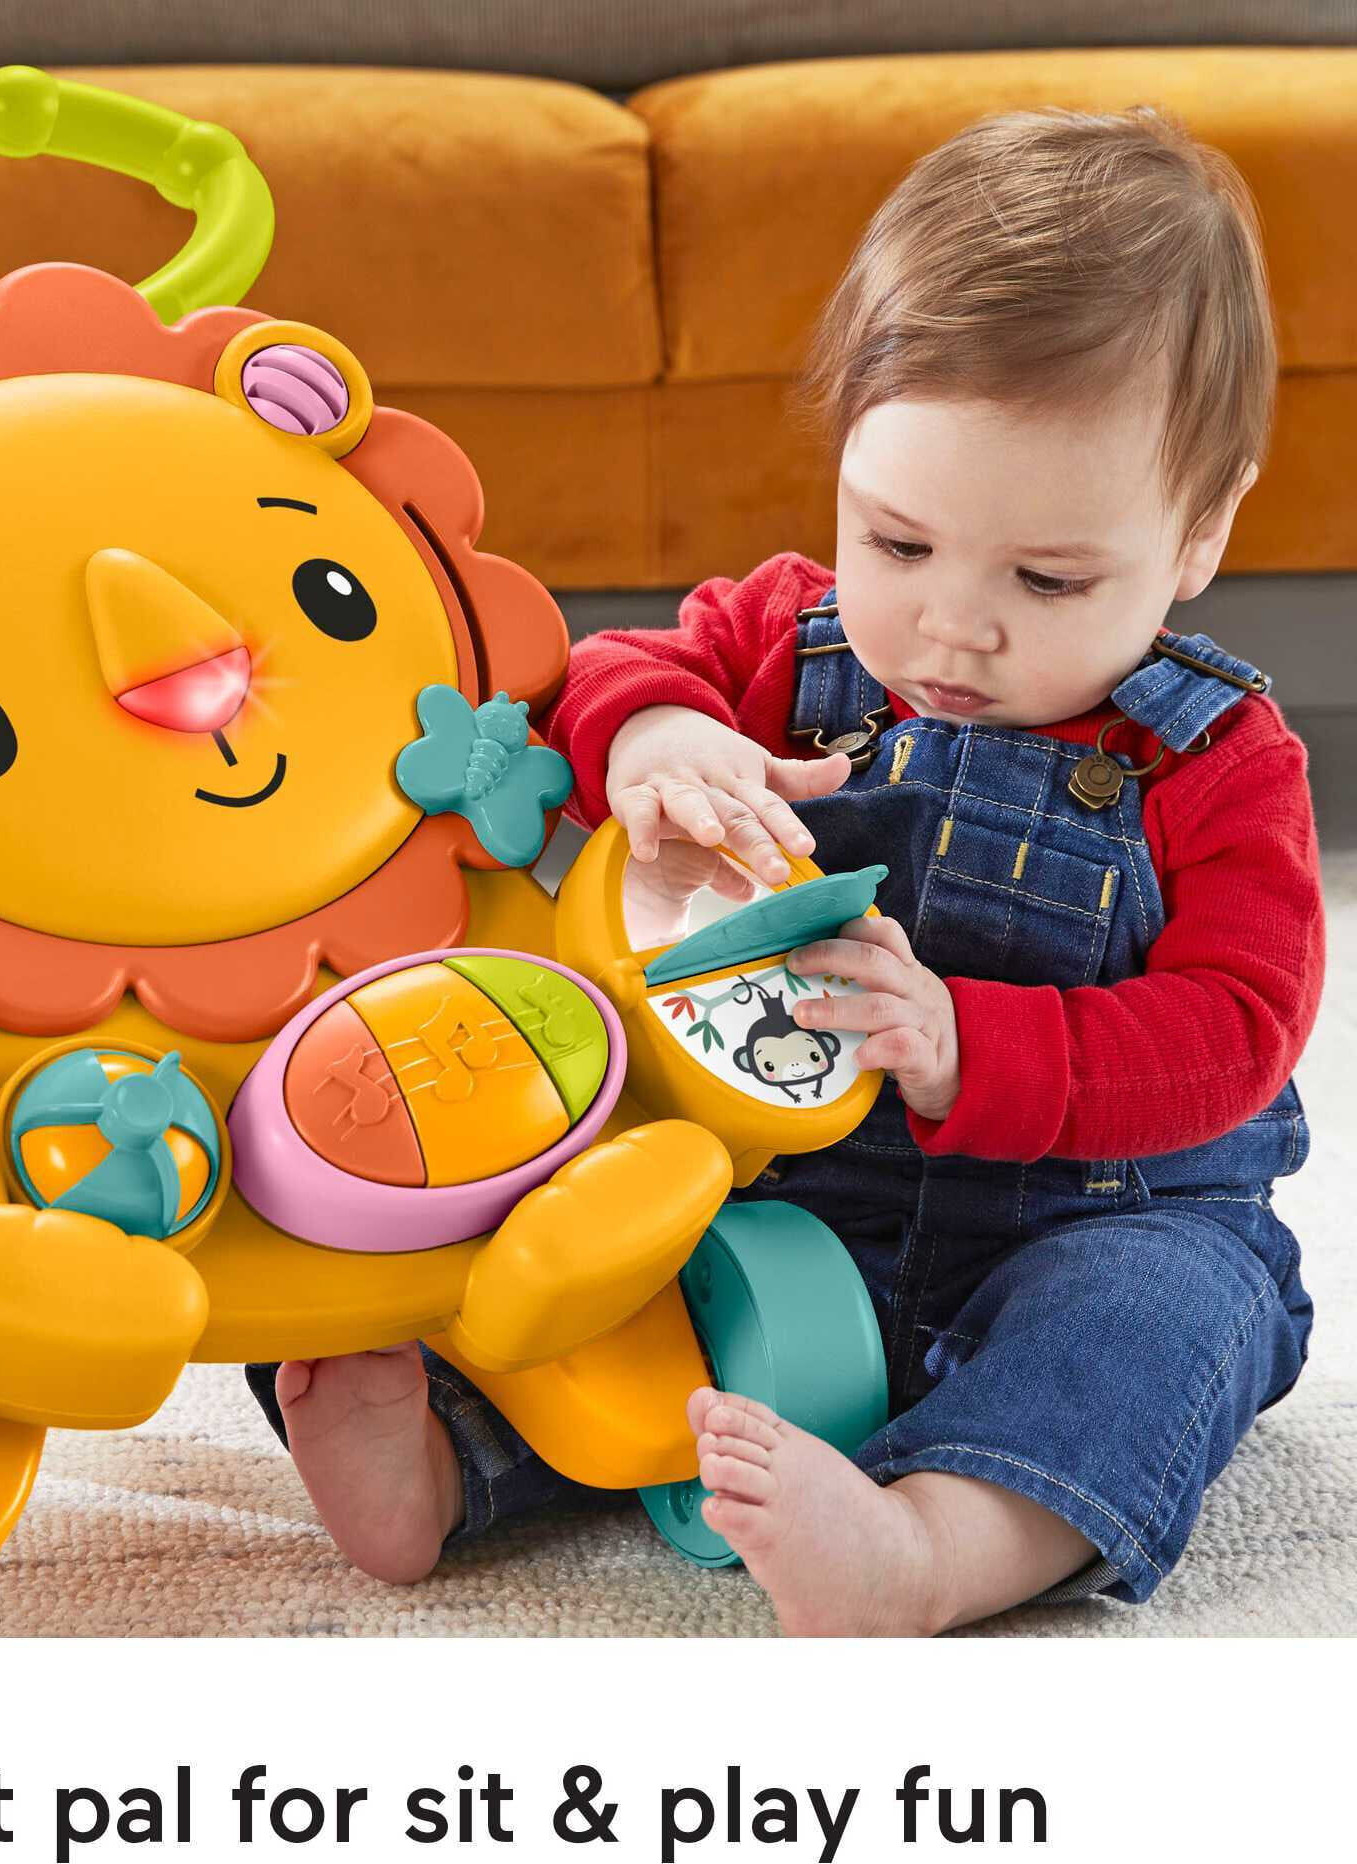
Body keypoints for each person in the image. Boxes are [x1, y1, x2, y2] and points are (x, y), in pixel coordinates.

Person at [245, 106, 1324, 1634]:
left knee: (1162, 1325)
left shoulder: (1215, 761)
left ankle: (929, 1549)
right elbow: (606, 671)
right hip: (760, 1187)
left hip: (1084, 1217)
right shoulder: (781, 641)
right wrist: (661, 738)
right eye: (899, 545)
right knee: (560, 1244)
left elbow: (1237, 1029)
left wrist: (966, 1046)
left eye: (1047, 578)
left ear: (1200, 534)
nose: (954, 625)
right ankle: (430, 1452)